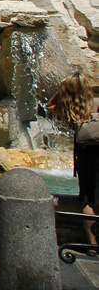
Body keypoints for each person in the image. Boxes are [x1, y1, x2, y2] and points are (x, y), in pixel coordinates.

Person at [47, 72, 96, 249]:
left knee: (89, 200)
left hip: (85, 157)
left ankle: (93, 243)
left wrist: (62, 91)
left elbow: (49, 106)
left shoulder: (69, 110)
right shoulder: (95, 105)